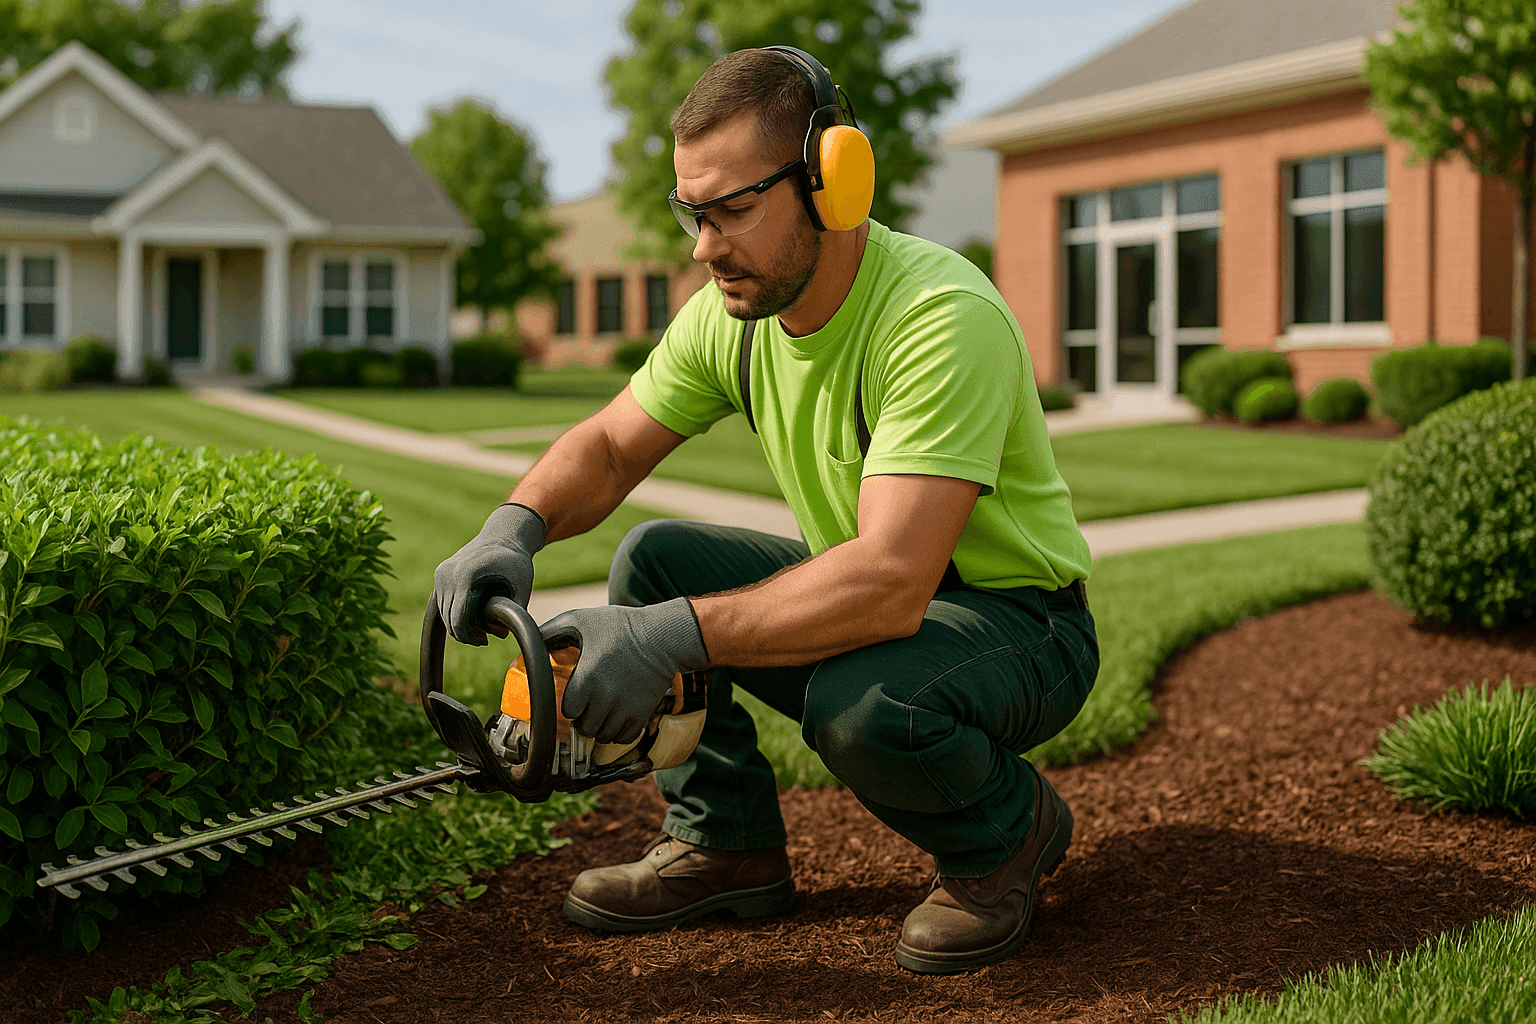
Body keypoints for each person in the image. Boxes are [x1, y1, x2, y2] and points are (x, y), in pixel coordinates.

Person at [432, 45, 1098, 975]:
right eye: (692, 214)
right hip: (889, 599)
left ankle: (1005, 837)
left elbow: (891, 582)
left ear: (835, 181)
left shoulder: (939, 317)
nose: (705, 249)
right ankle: (725, 843)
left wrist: (668, 640)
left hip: (1019, 623)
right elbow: (616, 443)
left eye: (734, 211)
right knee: (658, 557)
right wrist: (517, 523)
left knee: (866, 707)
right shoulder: (732, 312)